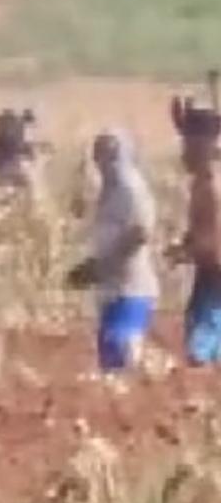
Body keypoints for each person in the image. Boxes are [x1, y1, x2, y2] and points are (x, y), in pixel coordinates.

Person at [66, 131, 157, 372]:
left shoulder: (131, 189)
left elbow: (140, 232)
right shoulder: (109, 189)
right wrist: (92, 267)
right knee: (110, 356)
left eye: (110, 155)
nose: (104, 162)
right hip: (111, 287)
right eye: (100, 156)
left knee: (122, 350)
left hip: (131, 287)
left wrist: (103, 266)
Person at [171, 98, 221, 365]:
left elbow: (213, 243)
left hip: (215, 276)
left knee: (200, 350)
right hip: (209, 274)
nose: (184, 151)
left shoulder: (212, 187)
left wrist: (185, 251)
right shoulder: (202, 183)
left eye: (189, 143)